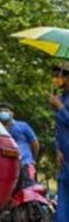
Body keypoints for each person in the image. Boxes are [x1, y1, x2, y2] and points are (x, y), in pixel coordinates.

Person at [0, 103, 39, 187]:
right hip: (6, 165)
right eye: (0, 111)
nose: (2, 113)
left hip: (24, 163)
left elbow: (35, 143)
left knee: (27, 188)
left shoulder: (23, 126)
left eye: (5, 111)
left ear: (12, 114)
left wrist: (33, 159)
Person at [48, 62, 69, 222]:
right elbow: (59, 129)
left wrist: (60, 107)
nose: (55, 79)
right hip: (65, 159)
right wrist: (58, 149)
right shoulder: (61, 97)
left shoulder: (61, 102)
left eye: (58, 75)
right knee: (62, 207)